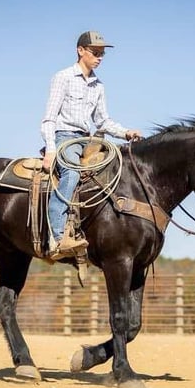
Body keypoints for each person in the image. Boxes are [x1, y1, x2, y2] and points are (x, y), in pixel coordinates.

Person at [41, 30, 141, 257]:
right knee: (72, 174)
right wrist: (50, 149)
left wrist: (126, 133)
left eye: (102, 54)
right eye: (95, 52)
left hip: (89, 140)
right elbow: (49, 117)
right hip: (65, 137)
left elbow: (102, 121)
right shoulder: (63, 77)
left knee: (118, 171)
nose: (100, 57)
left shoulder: (98, 85)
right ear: (80, 51)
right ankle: (56, 236)